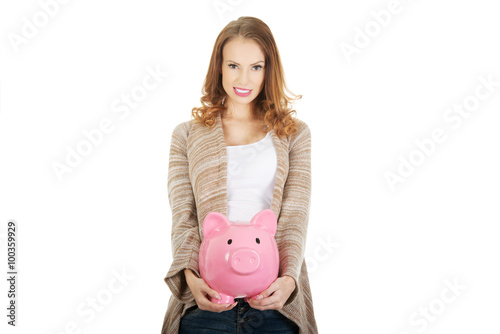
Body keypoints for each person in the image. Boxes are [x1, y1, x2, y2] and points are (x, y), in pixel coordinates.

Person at [160, 16, 318, 334]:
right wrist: (190, 279)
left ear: (268, 70)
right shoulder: (186, 135)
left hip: (276, 303)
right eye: (233, 65)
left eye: (256, 67)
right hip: (205, 304)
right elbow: (184, 216)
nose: (243, 78)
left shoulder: (294, 133)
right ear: (218, 67)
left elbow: (295, 213)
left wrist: (289, 281)